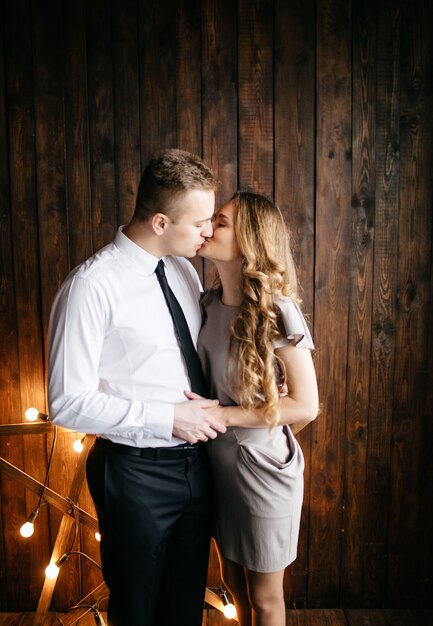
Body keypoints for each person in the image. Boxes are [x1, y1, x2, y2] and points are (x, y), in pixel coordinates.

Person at [47, 149, 227, 626]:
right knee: (138, 612)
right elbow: (66, 401)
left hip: (197, 467)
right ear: (162, 221)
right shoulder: (92, 286)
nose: (209, 232)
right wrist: (167, 417)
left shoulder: (183, 270)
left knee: (185, 610)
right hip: (135, 474)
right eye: (201, 222)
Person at [186, 191, 319, 626]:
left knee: (264, 601)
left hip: (261, 467)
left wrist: (227, 415)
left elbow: (306, 404)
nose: (207, 228)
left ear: (248, 240)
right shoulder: (207, 304)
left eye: (219, 222)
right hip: (216, 465)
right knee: (237, 593)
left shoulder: (277, 311)